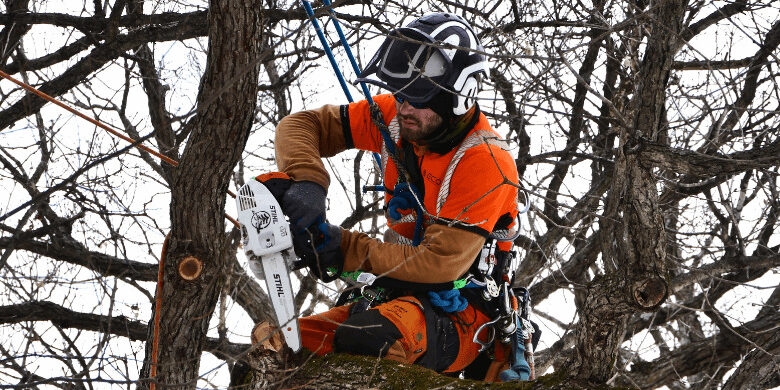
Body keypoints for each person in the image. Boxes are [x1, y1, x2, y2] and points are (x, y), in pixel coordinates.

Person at [261, 13, 534, 379]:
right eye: (402, 94)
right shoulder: (396, 118)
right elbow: (302, 125)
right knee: (283, 348)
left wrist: (343, 248)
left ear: (456, 98)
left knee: (369, 338)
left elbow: (440, 265)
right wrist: (307, 181)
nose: (404, 107)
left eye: (418, 98)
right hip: (391, 295)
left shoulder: (484, 160)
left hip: (461, 312)